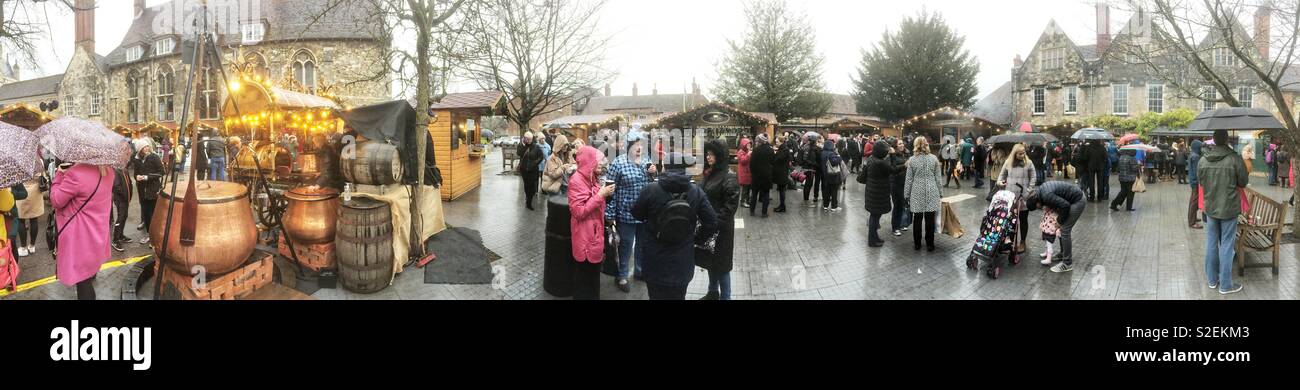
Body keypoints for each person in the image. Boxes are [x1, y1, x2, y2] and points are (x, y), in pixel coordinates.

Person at [630, 153, 718, 300]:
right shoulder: (695, 191)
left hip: (654, 260)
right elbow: (712, 222)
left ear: (666, 167)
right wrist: (695, 239)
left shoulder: (650, 190)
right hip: (682, 260)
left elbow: (636, 214)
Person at [51, 163, 114, 300]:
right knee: (88, 274)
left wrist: (59, 175)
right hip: (97, 233)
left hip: (79, 236)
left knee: (82, 282)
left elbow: (56, 200)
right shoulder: (108, 170)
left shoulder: (76, 173)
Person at [1198, 130, 1249, 295]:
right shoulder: (1234, 158)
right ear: (1226, 139)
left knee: (1211, 243)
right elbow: (1243, 182)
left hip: (1211, 207)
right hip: (1229, 208)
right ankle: (1226, 285)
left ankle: (1212, 280)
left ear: (1213, 140)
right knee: (1227, 245)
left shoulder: (1203, 160)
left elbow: (1201, 182)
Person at [605, 130, 655, 292]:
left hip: (644, 213)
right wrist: (610, 215)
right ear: (628, 146)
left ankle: (639, 271)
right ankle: (622, 275)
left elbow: (651, 185)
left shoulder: (647, 160)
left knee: (642, 244)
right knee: (625, 246)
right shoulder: (618, 163)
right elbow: (610, 191)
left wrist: (653, 174)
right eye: (635, 145)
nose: (639, 148)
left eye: (641, 145)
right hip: (626, 213)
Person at [568, 145, 615, 300]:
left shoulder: (592, 178)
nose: (601, 164)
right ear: (589, 162)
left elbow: (595, 204)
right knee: (584, 281)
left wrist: (607, 195)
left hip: (594, 236)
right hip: (585, 240)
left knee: (593, 280)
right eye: (598, 161)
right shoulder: (576, 180)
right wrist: (601, 195)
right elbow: (579, 212)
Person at [695, 140, 740, 300]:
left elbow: (729, 209)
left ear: (720, 156)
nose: (708, 157)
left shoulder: (729, 177)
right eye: (707, 154)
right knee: (710, 262)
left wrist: (712, 223)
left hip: (721, 231)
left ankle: (725, 297)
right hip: (708, 228)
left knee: (722, 266)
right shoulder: (710, 173)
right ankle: (712, 292)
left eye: (712, 154)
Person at [1025, 180, 1086, 273]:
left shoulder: (1046, 196)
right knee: (1061, 229)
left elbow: (1065, 206)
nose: (1040, 208)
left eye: (1037, 207)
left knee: (1065, 230)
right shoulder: (1040, 192)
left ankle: (1067, 263)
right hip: (1073, 198)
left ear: (1037, 203)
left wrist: (1059, 221)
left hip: (1077, 201)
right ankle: (1062, 254)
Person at [904, 137, 943, 252]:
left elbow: (909, 179)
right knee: (930, 219)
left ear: (915, 145)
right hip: (932, 190)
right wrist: (940, 192)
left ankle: (917, 244)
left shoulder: (912, 160)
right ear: (927, 144)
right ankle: (930, 244)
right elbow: (938, 178)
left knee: (917, 218)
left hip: (917, 191)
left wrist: (906, 195)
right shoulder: (934, 158)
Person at [998, 144, 1037, 253]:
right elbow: (1001, 175)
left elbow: (1034, 176)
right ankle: (1010, 241)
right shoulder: (1008, 162)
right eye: (1020, 153)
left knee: (1023, 220)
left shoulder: (1028, 163)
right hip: (1010, 197)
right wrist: (1000, 182)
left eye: (1024, 152)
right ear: (1014, 153)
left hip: (1023, 196)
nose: (1022, 155)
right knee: (1011, 220)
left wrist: (1029, 189)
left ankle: (1023, 242)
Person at [856, 140, 892, 246]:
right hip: (878, 193)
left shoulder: (872, 159)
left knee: (875, 216)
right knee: (875, 217)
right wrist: (894, 157)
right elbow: (893, 169)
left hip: (872, 193)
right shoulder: (881, 162)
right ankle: (871, 241)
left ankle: (875, 237)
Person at [131, 141, 164, 245]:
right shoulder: (136, 160)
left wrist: (147, 177)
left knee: (154, 214)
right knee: (146, 215)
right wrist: (136, 177)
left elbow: (162, 172)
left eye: (147, 146)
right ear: (139, 149)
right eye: (143, 147)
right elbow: (135, 173)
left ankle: (156, 236)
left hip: (153, 190)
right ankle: (150, 235)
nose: (146, 148)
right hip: (142, 192)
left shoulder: (154, 157)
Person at [14, 170, 44, 257]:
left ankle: (23, 248)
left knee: (21, 220)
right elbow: (42, 176)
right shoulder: (37, 161)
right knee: (34, 219)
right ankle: (32, 246)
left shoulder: (18, 163)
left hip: (22, 192)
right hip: (35, 192)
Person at [889, 138, 912, 237]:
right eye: (899, 144)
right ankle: (895, 227)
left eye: (902, 143)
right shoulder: (892, 155)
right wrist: (904, 166)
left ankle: (902, 223)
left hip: (905, 183)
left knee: (904, 204)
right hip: (895, 184)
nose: (902, 145)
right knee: (897, 206)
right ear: (895, 146)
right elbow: (892, 169)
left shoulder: (907, 154)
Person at [749, 134, 776, 216]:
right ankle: (764, 212)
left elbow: (751, 164)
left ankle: (752, 211)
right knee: (766, 194)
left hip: (756, 175)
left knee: (754, 194)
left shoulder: (755, 150)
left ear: (760, 141)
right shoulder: (770, 150)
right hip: (766, 175)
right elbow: (773, 162)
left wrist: (753, 173)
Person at [517, 132, 545, 210]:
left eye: (530, 139)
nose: (529, 140)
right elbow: (518, 153)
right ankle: (528, 202)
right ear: (524, 138)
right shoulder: (522, 146)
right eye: (527, 139)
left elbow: (541, 156)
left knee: (532, 186)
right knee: (526, 185)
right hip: (524, 169)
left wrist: (535, 163)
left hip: (533, 170)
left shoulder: (536, 146)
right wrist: (522, 144)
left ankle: (529, 199)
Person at [110, 167, 132, 252]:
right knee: (120, 218)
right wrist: (124, 196)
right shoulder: (116, 171)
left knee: (124, 217)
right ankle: (115, 240)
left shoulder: (125, 170)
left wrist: (129, 196)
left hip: (126, 199)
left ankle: (121, 235)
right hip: (120, 200)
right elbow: (116, 186)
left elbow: (129, 183)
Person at [821, 139, 846, 212]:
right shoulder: (831, 154)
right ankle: (834, 207)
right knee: (834, 191)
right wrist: (839, 156)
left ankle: (825, 206)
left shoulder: (823, 153)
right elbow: (834, 162)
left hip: (825, 175)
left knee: (827, 191)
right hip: (833, 175)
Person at [772, 135, 795, 213]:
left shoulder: (784, 149)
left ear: (781, 141)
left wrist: (775, 154)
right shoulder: (782, 148)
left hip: (782, 173)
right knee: (781, 190)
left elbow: (779, 159)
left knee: (782, 190)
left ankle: (782, 207)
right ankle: (781, 206)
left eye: (777, 141)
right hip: (781, 172)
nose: (776, 143)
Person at [1187, 139, 1205, 229]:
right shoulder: (1196, 157)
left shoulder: (1193, 155)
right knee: (1194, 202)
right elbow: (1197, 171)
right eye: (1200, 147)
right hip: (1195, 182)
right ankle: (1192, 222)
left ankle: (1192, 218)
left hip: (1193, 181)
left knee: (1192, 202)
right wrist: (1199, 182)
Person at [800, 135, 822, 206]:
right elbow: (817, 159)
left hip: (807, 168)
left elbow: (804, 158)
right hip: (813, 168)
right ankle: (813, 197)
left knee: (808, 183)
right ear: (815, 141)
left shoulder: (805, 147)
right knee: (814, 183)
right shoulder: (816, 148)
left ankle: (806, 198)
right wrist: (815, 164)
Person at [737, 137, 752, 209]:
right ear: (744, 145)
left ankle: (747, 200)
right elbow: (743, 161)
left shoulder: (746, 152)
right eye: (747, 144)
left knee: (748, 188)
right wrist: (749, 154)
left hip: (748, 172)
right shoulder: (741, 152)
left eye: (749, 144)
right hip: (744, 173)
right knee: (745, 188)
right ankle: (743, 202)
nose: (749, 146)